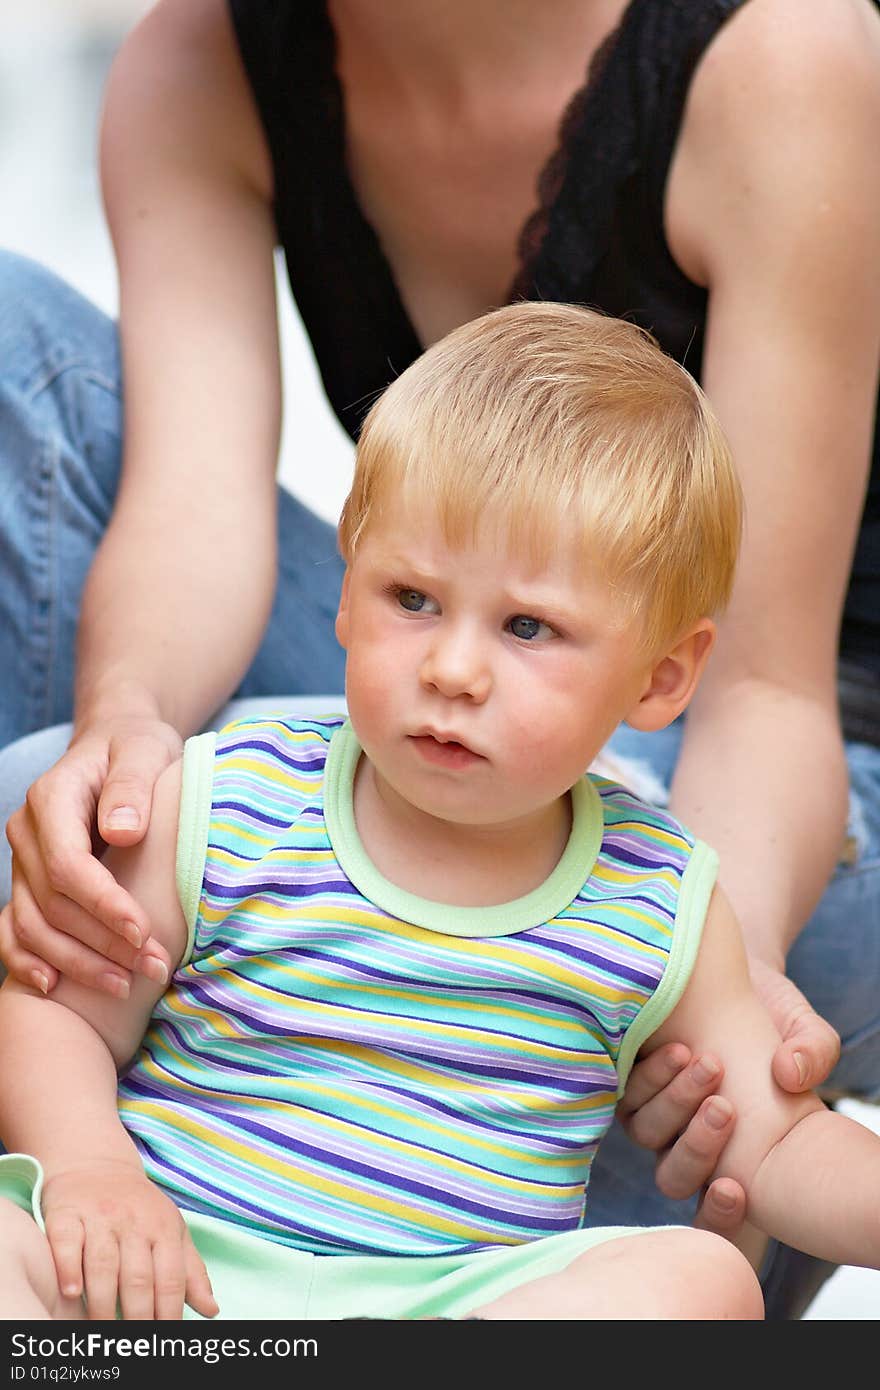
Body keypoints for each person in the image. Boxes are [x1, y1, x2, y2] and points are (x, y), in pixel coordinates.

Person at [1, 0, 879, 1316]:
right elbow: (197, 507)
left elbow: (759, 688)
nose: (460, 666)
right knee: (44, 783)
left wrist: (709, 993)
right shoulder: (206, 55)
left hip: (781, 789)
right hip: (430, 748)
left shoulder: (778, 59)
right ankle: (145, 1191)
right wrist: (121, 737)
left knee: (690, 1274)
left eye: (510, 629)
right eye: (399, 594)